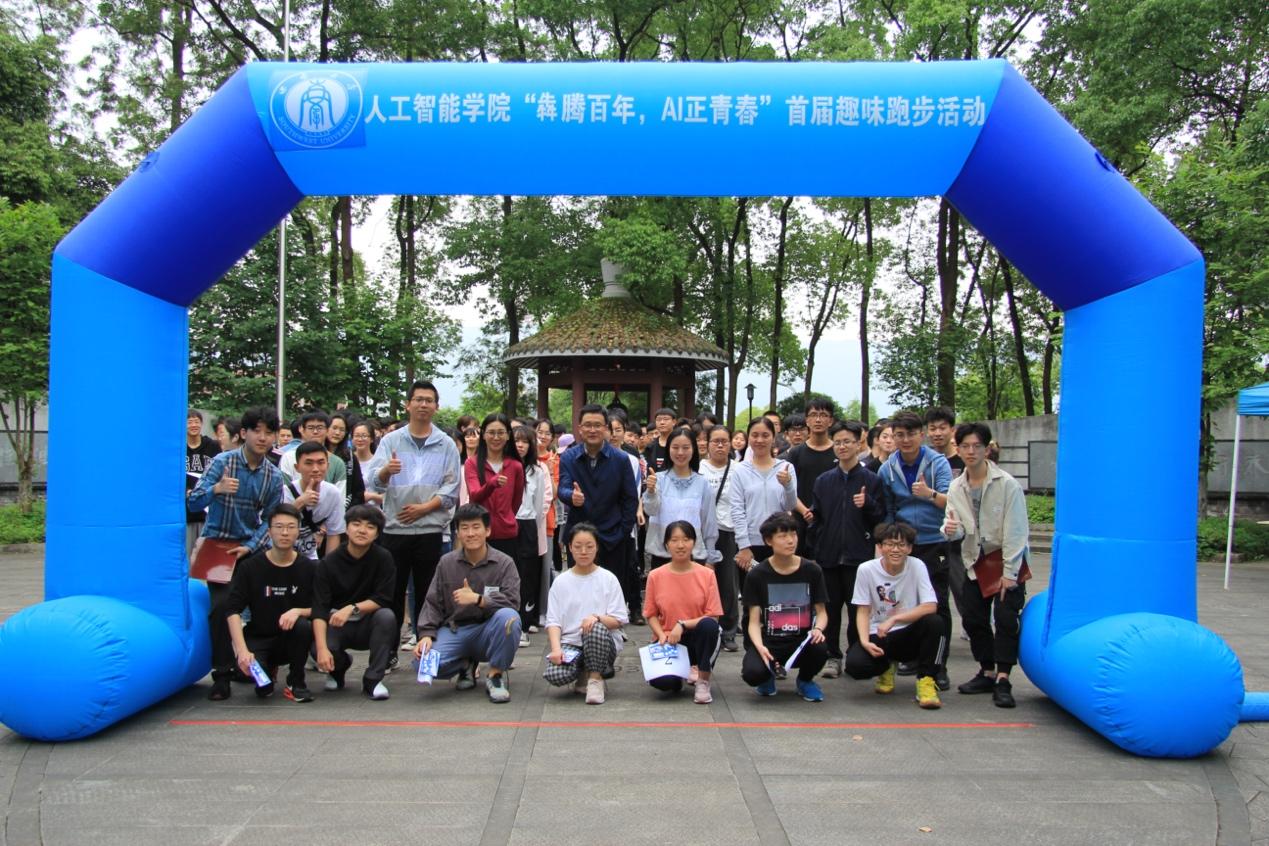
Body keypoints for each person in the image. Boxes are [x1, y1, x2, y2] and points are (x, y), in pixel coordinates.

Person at [187, 408, 284, 700]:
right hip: (218, 546)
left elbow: (271, 520)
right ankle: (222, 674)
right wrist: (216, 489)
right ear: (244, 433)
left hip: (250, 547)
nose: (263, 438)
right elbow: (193, 502)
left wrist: (251, 546)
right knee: (221, 608)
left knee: (263, 606)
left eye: (269, 432)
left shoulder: (273, 475)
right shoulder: (222, 462)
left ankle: (256, 662)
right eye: (257, 431)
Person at [942, 422, 1030, 708]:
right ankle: (987, 670)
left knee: (1005, 619)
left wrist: (1010, 573)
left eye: (976, 446)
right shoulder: (956, 486)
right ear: (958, 449)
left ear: (987, 449)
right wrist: (949, 530)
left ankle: (1003, 678)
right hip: (974, 562)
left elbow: (1016, 531)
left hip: (1004, 560)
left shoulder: (1007, 484)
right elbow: (955, 527)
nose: (971, 451)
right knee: (973, 618)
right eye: (965, 446)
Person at [370, 380, 461, 652]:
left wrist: (424, 508)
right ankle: (387, 652)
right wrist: (386, 471)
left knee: (428, 596)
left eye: (429, 400)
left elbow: (452, 489)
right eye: (418, 399)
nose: (423, 404)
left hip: (430, 531)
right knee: (392, 594)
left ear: (436, 406)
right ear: (408, 404)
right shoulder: (391, 441)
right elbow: (373, 482)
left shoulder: (445, 444)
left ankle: (426, 652)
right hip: (394, 530)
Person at [415, 504, 522, 703]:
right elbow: (433, 602)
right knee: (423, 664)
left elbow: (513, 601)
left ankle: (495, 675)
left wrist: (479, 599)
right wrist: (426, 634)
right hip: (455, 630)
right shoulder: (446, 563)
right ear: (457, 532)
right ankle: (465, 664)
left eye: (476, 527)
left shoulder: (504, 563)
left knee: (510, 618)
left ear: (487, 531)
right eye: (464, 528)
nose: (470, 533)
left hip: (488, 630)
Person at [877, 410, 953, 690]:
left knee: (937, 603)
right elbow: (888, 509)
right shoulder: (887, 469)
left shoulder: (938, 463)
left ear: (921, 435)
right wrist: (888, 543)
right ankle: (911, 657)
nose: (905, 440)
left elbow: (951, 501)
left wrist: (929, 494)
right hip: (903, 544)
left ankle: (938, 665)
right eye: (900, 435)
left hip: (935, 540)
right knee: (904, 603)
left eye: (910, 434)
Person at [808, 420, 885, 678]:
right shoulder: (824, 481)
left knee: (857, 608)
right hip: (828, 555)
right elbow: (817, 517)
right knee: (829, 609)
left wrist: (868, 503)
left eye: (847, 442)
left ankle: (855, 650)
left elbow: (881, 518)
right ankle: (832, 656)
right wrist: (815, 547)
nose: (842, 447)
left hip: (858, 555)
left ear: (858, 443)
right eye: (838, 442)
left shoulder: (871, 479)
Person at [220, 503, 315, 703]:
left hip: (291, 639)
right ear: (269, 531)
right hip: (259, 636)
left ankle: (296, 680)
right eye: (279, 527)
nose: (285, 532)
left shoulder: (310, 567)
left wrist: (298, 611)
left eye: (290, 527)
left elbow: (321, 607)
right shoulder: (250, 567)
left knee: (303, 626)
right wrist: (242, 651)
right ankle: (267, 675)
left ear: (298, 531)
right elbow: (232, 609)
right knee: (253, 677)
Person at [846, 521, 944, 709]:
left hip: (908, 633)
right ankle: (886, 667)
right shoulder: (866, 569)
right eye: (890, 544)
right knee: (856, 666)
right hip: (879, 633)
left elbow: (930, 605)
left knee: (935, 622)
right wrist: (865, 641)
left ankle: (926, 680)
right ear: (880, 547)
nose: (895, 550)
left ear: (910, 548)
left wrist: (895, 619)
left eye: (901, 545)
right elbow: (863, 610)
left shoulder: (917, 566)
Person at [557, 404, 639, 622]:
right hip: (579, 534)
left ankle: (612, 629)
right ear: (579, 428)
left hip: (613, 535)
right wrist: (571, 496)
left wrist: (622, 531)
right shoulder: (568, 457)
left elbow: (630, 499)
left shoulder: (620, 459)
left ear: (606, 429)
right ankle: (576, 628)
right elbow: (562, 488)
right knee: (578, 589)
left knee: (611, 589)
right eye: (587, 425)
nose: (592, 430)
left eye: (597, 425)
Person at [740, 513, 829, 702]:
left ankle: (805, 680)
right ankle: (767, 677)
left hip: (801, 641)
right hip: (769, 641)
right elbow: (753, 622)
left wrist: (818, 629)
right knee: (752, 673)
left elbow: (822, 612)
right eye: (782, 536)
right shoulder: (757, 575)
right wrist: (759, 647)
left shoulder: (812, 571)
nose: (790, 541)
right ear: (769, 541)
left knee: (820, 647)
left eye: (793, 534)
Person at [311, 504, 397, 700]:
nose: (362, 530)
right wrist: (322, 649)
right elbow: (319, 608)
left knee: (386, 616)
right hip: (337, 623)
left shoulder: (383, 558)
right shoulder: (328, 563)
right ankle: (337, 670)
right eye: (356, 524)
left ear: (377, 534)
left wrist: (352, 608)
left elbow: (383, 598)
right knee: (318, 647)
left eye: (370, 526)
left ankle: (373, 680)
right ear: (347, 528)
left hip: (368, 622)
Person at [543, 523, 629, 704]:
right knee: (555, 674)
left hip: (602, 641)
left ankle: (595, 679)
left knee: (594, 628)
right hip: (571, 644)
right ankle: (583, 673)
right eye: (578, 546)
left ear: (597, 547)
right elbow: (553, 621)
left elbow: (619, 619)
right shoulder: (561, 582)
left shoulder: (608, 578)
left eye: (589, 546)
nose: (583, 551)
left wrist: (597, 618)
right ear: (570, 548)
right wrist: (556, 649)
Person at [642, 521, 723, 703]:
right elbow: (650, 614)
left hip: (697, 637)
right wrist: (660, 634)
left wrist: (682, 624)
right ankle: (678, 676)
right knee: (663, 683)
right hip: (669, 640)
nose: (680, 545)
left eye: (686, 540)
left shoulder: (706, 574)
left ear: (694, 542)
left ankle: (703, 679)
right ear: (666, 544)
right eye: (674, 540)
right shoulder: (655, 575)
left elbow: (713, 616)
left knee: (709, 626)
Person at [730, 417, 797, 578]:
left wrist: (788, 485)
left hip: (779, 541)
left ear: (773, 438)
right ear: (749, 438)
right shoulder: (740, 470)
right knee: (753, 590)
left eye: (765, 435)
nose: (759, 440)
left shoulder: (786, 468)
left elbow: (790, 505)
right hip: (751, 544)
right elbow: (737, 510)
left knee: (778, 590)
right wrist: (743, 546)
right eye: (755, 435)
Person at [642, 427, 719, 568]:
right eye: (675, 447)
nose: (680, 452)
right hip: (662, 555)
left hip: (694, 556)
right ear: (668, 449)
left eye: (686, 447)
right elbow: (650, 511)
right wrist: (651, 491)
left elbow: (709, 523)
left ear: (693, 449)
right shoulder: (658, 479)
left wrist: (711, 557)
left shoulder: (703, 484)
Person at [926, 406, 970, 627]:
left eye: (942, 428)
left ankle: (972, 627)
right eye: (932, 428)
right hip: (931, 536)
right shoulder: (924, 461)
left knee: (963, 588)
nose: (937, 433)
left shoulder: (965, 461)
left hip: (961, 538)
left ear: (952, 430)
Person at [699, 424, 741, 651]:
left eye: (724, 441)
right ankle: (702, 627)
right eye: (715, 441)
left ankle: (728, 631)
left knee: (728, 584)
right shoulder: (699, 468)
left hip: (728, 531)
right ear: (707, 443)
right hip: (701, 531)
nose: (720, 445)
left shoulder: (739, 469)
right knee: (701, 582)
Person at [463, 413, 525, 565]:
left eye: (501, 433)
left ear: (508, 435)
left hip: (507, 534)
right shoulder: (472, 463)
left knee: (506, 575)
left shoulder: (516, 466)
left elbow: (516, 502)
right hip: (479, 533)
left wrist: (505, 517)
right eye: (491, 432)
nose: (496, 437)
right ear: (483, 435)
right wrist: (492, 484)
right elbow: (474, 496)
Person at [784, 398, 839, 558]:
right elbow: (789, 488)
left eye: (823, 415)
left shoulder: (838, 451)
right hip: (801, 520)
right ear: (807, 420)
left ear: (831, 421)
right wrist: (805, 511)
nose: (818, 419)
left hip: (831, 520)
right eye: (813, 415)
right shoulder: (795, 453)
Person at [513, 425, 552, 637]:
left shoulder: (538, 469)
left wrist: (535, 524)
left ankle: (527, 618)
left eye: (525, 441)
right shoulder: (505, 466)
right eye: (516, 441)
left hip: (529, 522)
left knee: (528, 571)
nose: (520, 445)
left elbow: (542, 501)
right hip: (508, 523)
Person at [281, 441, 346, 560]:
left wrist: (328, 567)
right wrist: (300, 502)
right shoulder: (284, 492)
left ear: (328, 465)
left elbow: (334, 533)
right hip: (282, 555)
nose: (315, 469)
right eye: (309, 463)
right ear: (297, 467)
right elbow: (277, 525)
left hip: (310, 555)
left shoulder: (333, 493)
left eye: (321, 463)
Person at [185, 409, 220, 555]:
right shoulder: (179, 448)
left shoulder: (213, 446)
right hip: (186, 510)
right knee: (187, 552)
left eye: (196, 422)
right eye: (190, 422)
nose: (193, 425)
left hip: (208, 507)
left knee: (206, 553)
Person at [350, 420, 384, 508]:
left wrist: (372, 496)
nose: (360, 439)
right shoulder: (348, 461)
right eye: (357, 436)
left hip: (374, 511)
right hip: (351, 510)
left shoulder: (380, 462)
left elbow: (389, 495)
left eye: (364, 436)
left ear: (372, 439)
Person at [642, 407, 678, 474]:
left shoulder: (680, 444)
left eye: (666, 419)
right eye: (658, 419)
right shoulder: (650, 447)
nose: (662, 422)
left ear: (674, 422)